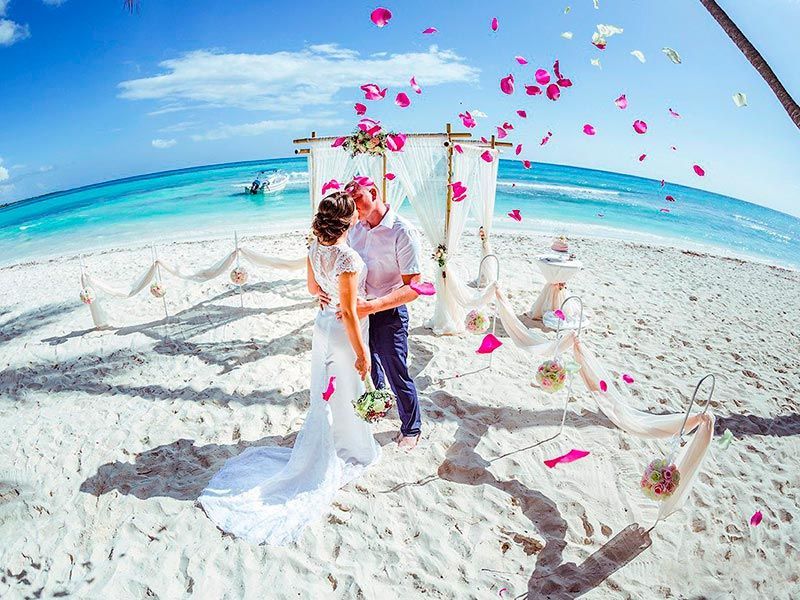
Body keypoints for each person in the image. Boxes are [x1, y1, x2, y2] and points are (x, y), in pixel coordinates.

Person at [198, 191, 380, 545]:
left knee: (326, 392)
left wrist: (324, 296)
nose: (360, 213)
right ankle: (351, 448)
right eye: (354, 212)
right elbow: (350, 314)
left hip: (321, 327)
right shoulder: (347, 258)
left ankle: (335, 443)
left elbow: (314, 288)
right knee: (347, 390)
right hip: (342, 333)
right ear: (348, 220)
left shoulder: (314, 248)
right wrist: (363, 353)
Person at [329, 178, 423, 450]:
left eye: (356, 197)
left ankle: (411, 427)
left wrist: (372, 306)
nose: (352, 204)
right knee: (368, 365)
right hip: (359, 314)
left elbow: (414, 287)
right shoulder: (353, 229)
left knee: (397, 369)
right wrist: (325, 292)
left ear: (374, 192)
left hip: (389, 311)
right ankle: (378, 405)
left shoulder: (402, 231)